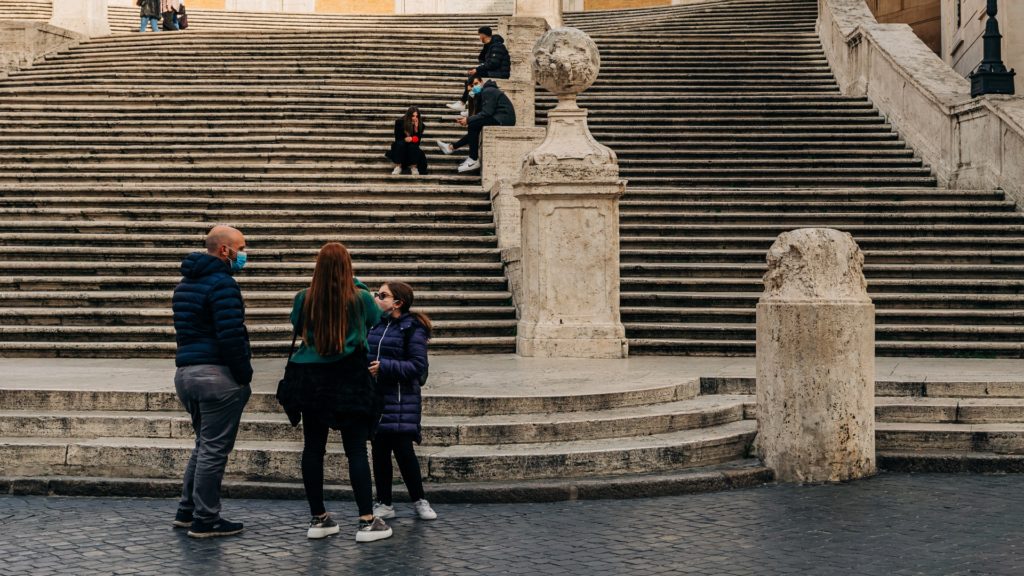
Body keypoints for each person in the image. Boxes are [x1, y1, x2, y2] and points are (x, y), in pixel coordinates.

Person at [286, 242, 392, 543]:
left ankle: (318, 518)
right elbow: (374, 319)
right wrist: (355, 283)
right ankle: (366, 521)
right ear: (348, 267)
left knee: (313, 448)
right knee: (356, 450)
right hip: (350, 375)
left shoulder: (304, 298)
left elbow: (297, 323)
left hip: (311, 378)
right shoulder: (359, 298)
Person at [171, 225, 253, 538]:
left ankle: (187, 510)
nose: (244, 254)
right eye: (241, 248)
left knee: (203, 445)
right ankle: (206, 519)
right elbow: (230, 334)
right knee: (214, 449)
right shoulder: (223, 284)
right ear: (224, 250)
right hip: (216, 375)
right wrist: (243, 374)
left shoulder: (185, 284)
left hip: (187, 373)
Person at [367, 282, 437, 522]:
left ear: (398, 303)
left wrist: (385, 367)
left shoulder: (412, 328)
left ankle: (419, 500)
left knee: (405, 452)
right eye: (377, 294)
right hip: (376, 399)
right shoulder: (375, 324)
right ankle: (384, 502)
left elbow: (418, 366)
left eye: (382, 295)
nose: (377, 298)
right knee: (379, 453)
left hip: (401, 400)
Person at [437, 75, 516, 173]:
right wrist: (472, 97)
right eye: (472, 86)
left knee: (473, 125)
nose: (475, 87)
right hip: (499, 117)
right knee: (474, 126)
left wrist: (468, 120)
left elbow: (486, 113)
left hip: (503, 118)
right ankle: (451, 147)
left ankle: (473, 158)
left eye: (476, 84)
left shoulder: (488, 91)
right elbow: (478, 113)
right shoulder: (483, 93)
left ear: (481, 82)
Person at [446, 27, 510, 112]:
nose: (479, 37)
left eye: (479, 35)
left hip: (500, 73)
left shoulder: (497, 46)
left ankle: (463, 103)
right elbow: (482, 59)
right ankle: (468, 107)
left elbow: (494, 63)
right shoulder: (490, 46)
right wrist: (486, 46)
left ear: (483, 35)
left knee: (473, 79)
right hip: (494, 71)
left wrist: (477, 69)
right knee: (471, 81)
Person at [386, 107, 427, 176]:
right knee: (400, 144)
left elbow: (418, 142)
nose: (414, 118)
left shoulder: (420, 125)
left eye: (416, 116)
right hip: (401, 142)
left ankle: (414, 167)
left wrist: (416, 128)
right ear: (409, 115)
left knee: (413, 146)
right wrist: (405, 139)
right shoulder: (400, 122)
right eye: (413, 116)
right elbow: (397, 138)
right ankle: (398, 166)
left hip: (412, 145)